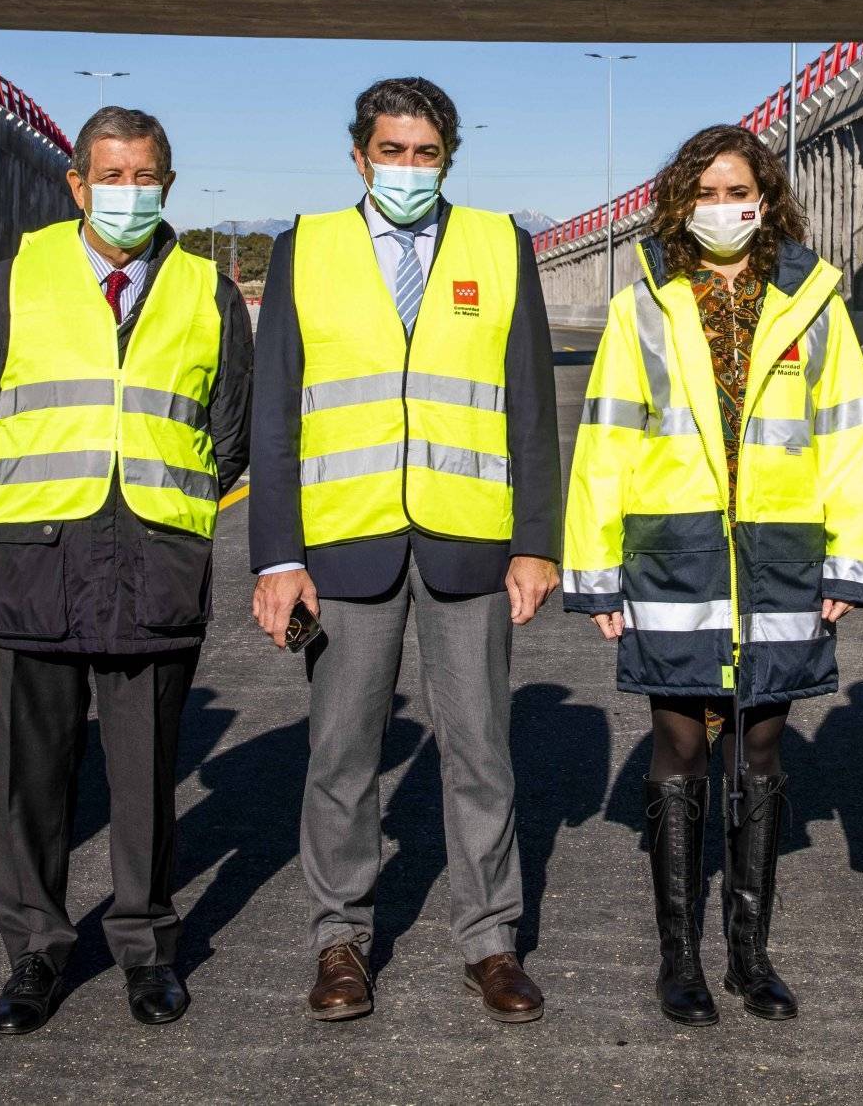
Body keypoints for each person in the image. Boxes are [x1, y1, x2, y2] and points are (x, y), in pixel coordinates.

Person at [248, 77, 563, 1024]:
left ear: (448, 160)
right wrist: (277, 556)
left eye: (426, 154)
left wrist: (537, 542)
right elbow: (275, 420)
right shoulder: (305, 248)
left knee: (481, 752)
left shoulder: (499, 246)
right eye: (392, 151)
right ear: (359, 156)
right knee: (341, 755)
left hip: (470, 542)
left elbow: (531, 411)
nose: (409, 169)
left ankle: (492, 940)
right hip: (344, 545)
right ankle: (340, 938)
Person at [0, 106, 254, 1034]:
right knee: (30, 775)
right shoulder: (16, 278)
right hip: (36, 562)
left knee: (146, 774)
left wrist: (162, 506)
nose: (129, 191)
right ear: (76, 184)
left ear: (167, 182)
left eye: (145, 175)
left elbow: (227, 434)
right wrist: (21, 509)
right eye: (110, 175)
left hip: (154, 558)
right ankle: (34, 950)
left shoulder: (207, 290)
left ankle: (148, 946)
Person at [563, 124, 863, 1025]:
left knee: (764, 746)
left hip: (783, 558)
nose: (720, 207)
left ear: (766, 197)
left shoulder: (814, 302)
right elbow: (606, 440)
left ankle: (751, 955)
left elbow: (854, 437)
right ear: (680, 204)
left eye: (735, 189)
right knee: (679, 744)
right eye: (702, 192)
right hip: (676, 554)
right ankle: (681, 961)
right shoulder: (643, 307)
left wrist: (851, 561)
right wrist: (594, 565)